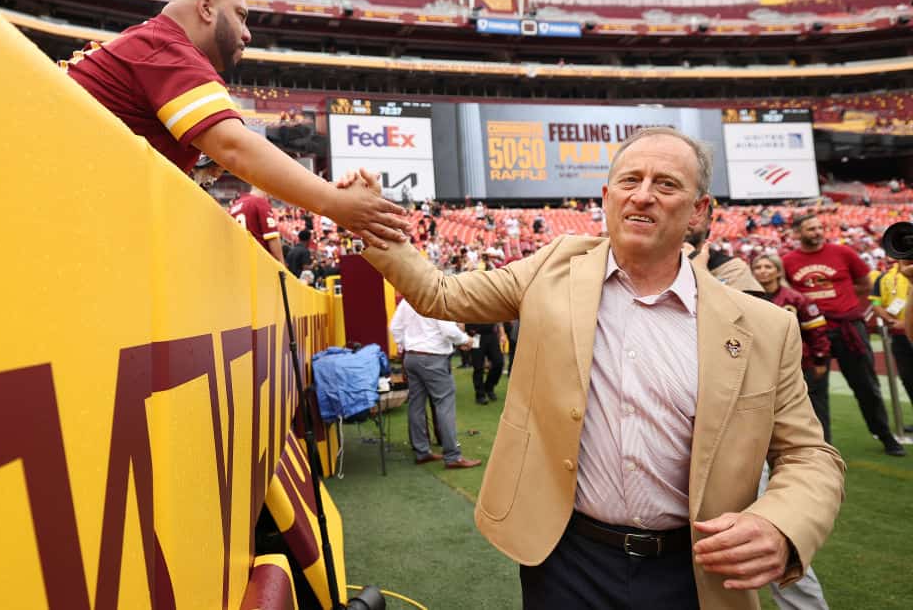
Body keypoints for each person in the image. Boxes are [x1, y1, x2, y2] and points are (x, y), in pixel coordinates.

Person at [344, 127, 845, 609]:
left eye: (666, 184)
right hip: (566, 559)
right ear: (606, 196)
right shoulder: (553, 266)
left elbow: (808, 454)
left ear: (700, 210)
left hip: (694, 571)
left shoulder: (763, 326)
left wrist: (782, 523)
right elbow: (440, 292)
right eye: (630, 181)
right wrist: (365, 216)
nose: (643, 195)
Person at [63, 0, 406, 250]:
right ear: (206, 7)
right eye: (241, 16)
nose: (247, 35)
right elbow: (233, 146)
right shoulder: (166, 46)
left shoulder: (148, 44)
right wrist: (335, 203)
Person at [782, 214, 905, 456]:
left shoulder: (844, 253)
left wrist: (842, 302)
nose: (817, 232)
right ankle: (822, 445)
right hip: (812, 331)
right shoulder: (787, 260)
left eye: (819, 228)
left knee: (867, 385)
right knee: (815, 391)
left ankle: (885, 434)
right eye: (810, 229)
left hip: (849, 328)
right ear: (797, 233)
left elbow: (864, 284)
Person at [751, 253, 832, 610]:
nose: (764, 271)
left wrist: (819, 360)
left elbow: (805, 454)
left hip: (769, 405)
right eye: (759, 267)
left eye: (768, 267)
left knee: (772, 537)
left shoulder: (792, 301)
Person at [389, 299, 481, 469]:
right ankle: (452, 456)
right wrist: (465, 339)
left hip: (412, 356)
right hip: (433, 357)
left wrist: (406, 344)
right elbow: (448, 331)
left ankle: (422, 451)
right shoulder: (436, 299)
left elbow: (394, 327)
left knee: (416, 405)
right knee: (444, 404)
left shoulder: (408, 300)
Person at [684, 204, 764, 298]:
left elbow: (743, 310)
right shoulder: (662, 265)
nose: (685, 220)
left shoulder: (731, 268)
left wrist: (701, 273)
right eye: (678, 214)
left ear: (709, 222)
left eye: (695, 213)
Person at [872, 260, 913, 432]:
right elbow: (875, 303)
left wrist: (905, 323)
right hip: (898, 336)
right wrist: (887, 318)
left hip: (907, 327)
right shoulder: (884, 277)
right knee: (908, 378)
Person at [229, 185, 284, 264]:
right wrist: (282, 265)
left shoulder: (234, 206)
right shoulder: (259, 202)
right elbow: (272, 237)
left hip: (240, 260)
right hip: (259, 260)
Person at [466, 321, 504, 404]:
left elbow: (499, 320)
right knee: (478, 367)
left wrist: (502, 334)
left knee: (499, 362)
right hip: (476, 335)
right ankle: (480, 395)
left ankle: (489, 387)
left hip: (491, 335)